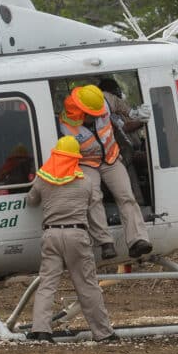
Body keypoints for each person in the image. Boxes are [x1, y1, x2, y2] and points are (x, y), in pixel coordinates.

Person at [26, 136, 119, 343]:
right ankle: (103, 333)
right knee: (87, 285)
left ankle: (41, 330)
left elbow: (31, 201)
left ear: (56, 154)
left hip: (50, 235)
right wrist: (105, 240)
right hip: (77, 235)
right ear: (76, 158)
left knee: (47, 284)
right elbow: (95, 213)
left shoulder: (43, 179)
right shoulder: (85, 182)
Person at [58, 84, 152, 260]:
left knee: (126, 196)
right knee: (93, 197)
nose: (98, 115)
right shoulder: (66, 125)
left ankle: (138, 240)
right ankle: (105, 242)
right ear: (81, 112)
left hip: (111, 158)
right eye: (92, 115)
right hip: (86, 163)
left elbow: (117, 102)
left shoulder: (103, 102)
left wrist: (133, 113)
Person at [98, 77, 149, 205]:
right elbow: (124, 127)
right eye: (114, 91)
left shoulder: (114, 107)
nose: (118, 93)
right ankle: (139, 204)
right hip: (119, 155)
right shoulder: (106, 110)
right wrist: (143, 120)